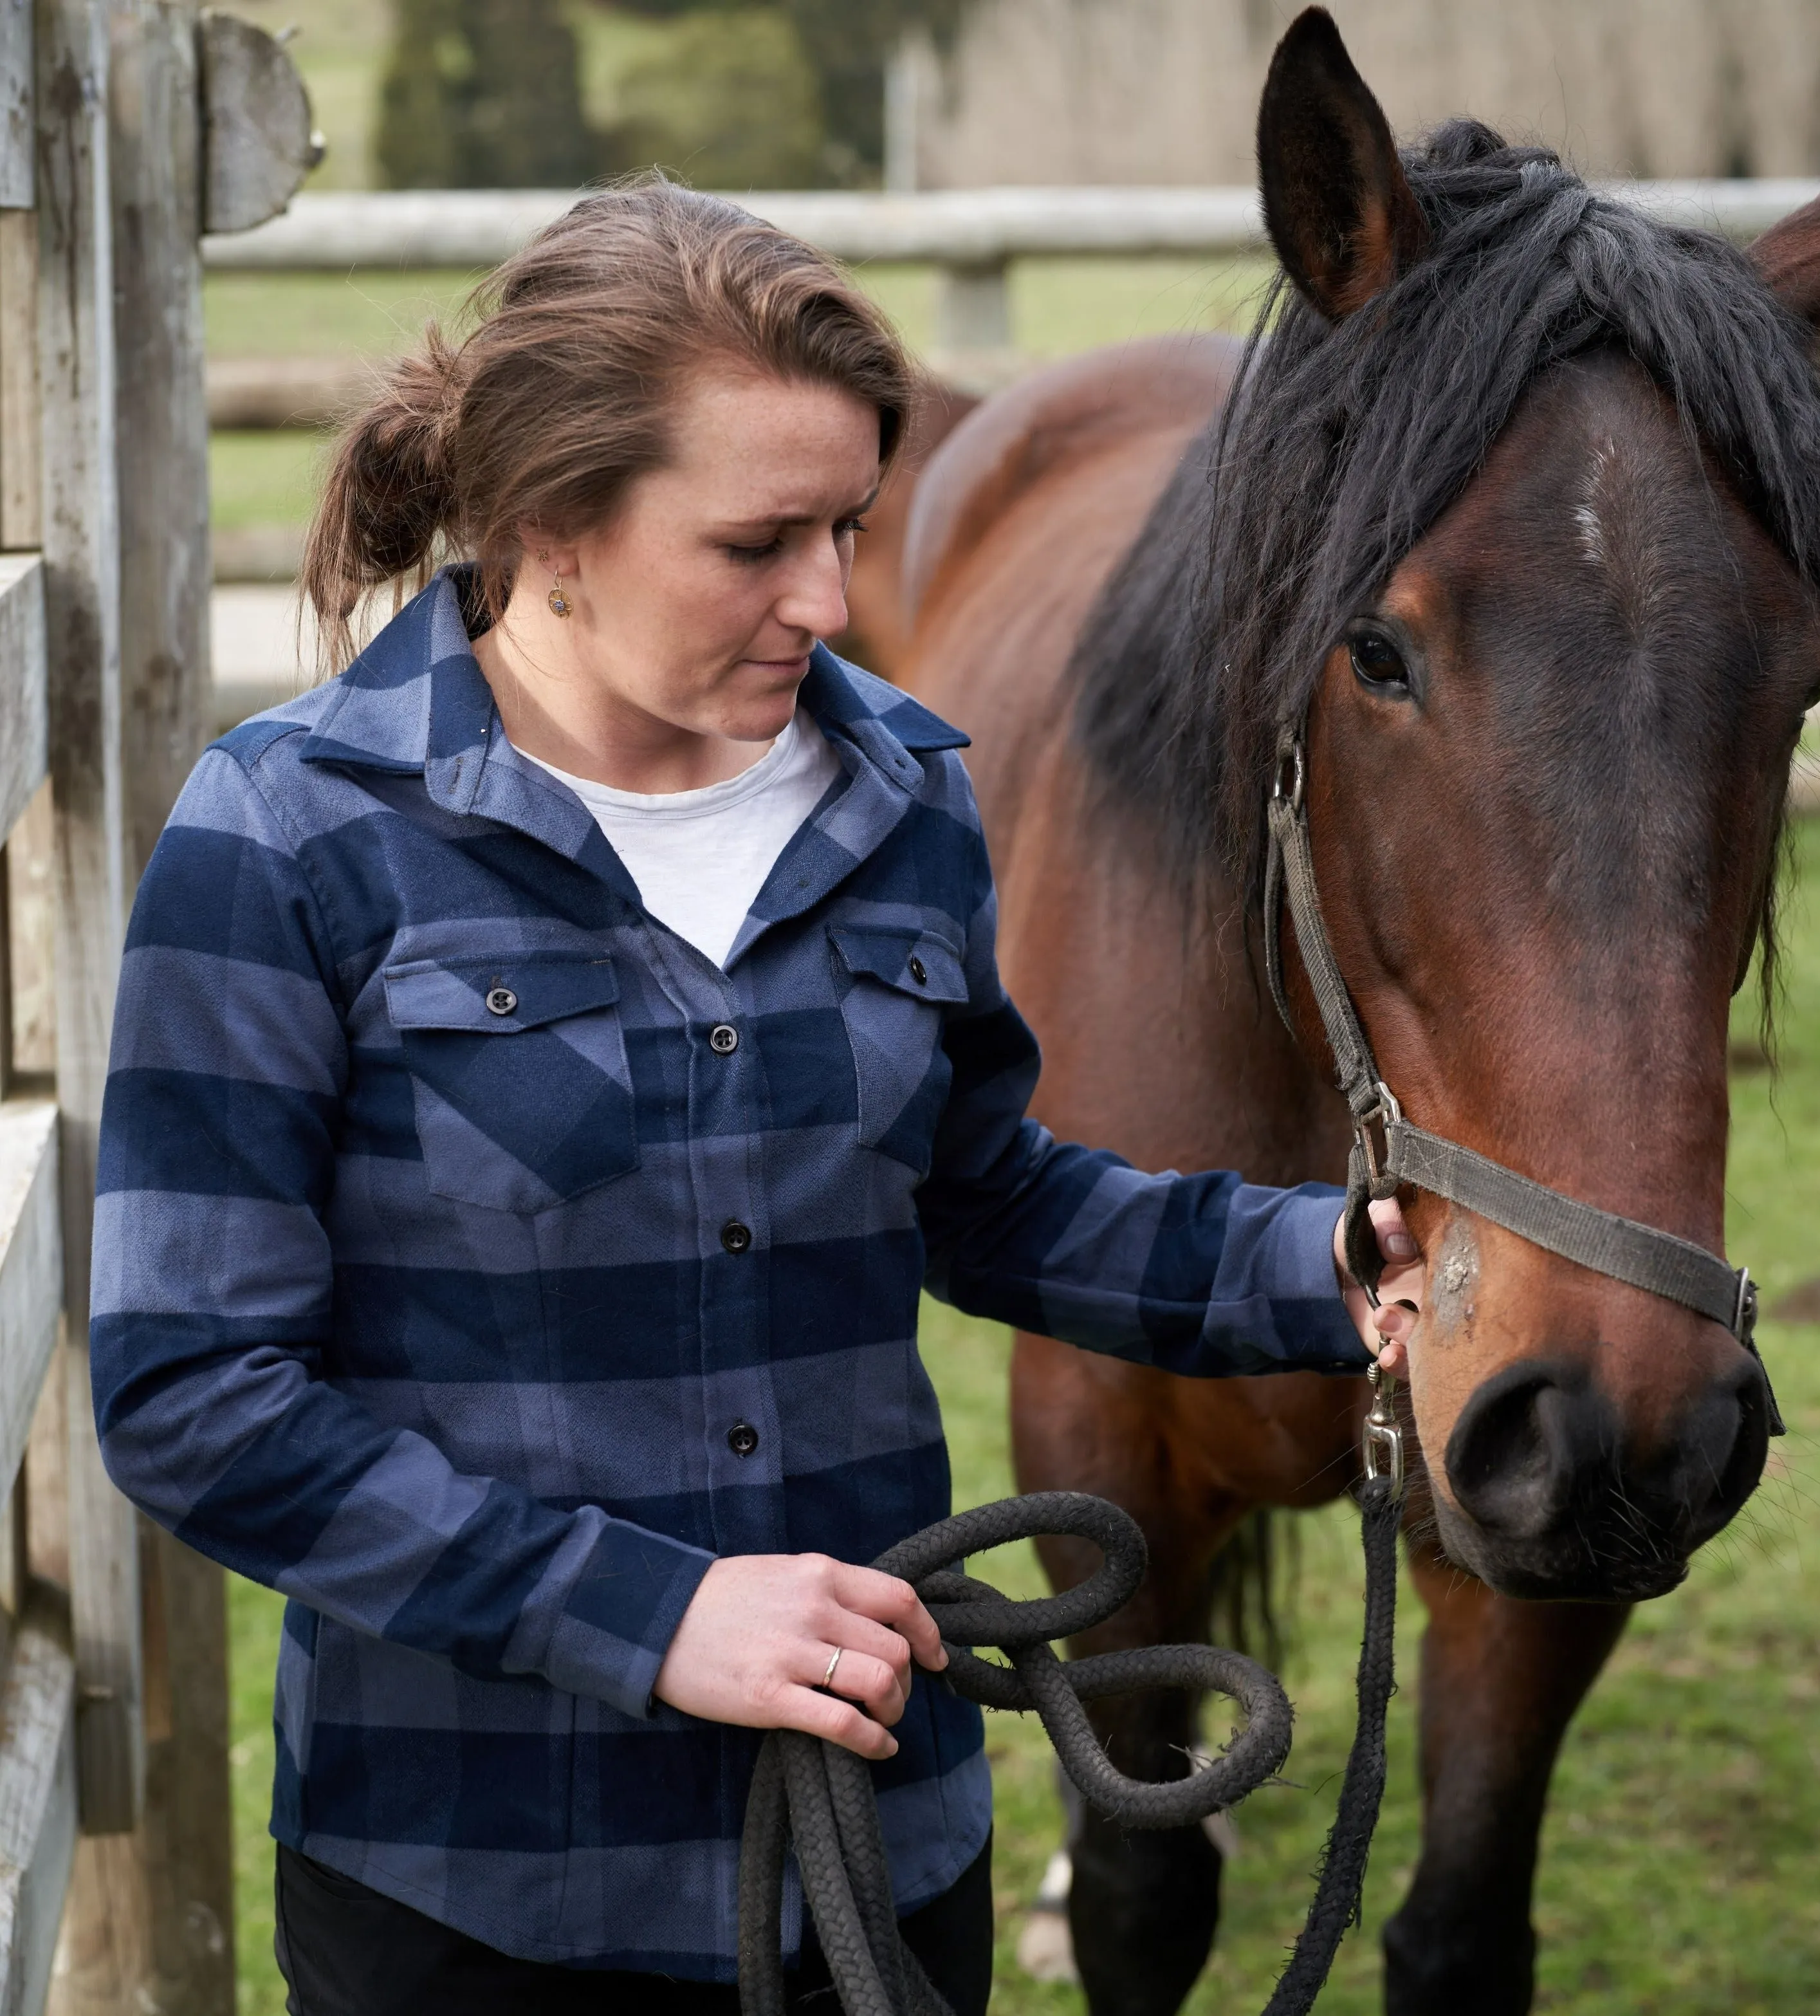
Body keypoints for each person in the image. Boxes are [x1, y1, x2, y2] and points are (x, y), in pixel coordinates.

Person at [90, 180, 1422, 2016]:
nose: (832, 595)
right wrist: (657, 1619)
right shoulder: (289, 837)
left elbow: (987, 1196)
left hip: (876, 1858)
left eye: (850, 524)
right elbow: (192, 1396)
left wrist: (1334, 1258)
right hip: (479, 1893)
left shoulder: (906, 798)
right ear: (552, 524)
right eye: (757, 541)